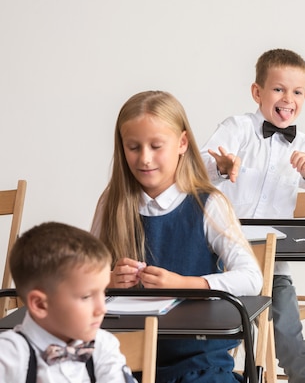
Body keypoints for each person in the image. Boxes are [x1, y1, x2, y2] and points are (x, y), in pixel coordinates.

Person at [201, 48, 305, 383]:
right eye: (278, 89)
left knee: (288, 334)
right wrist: (220, 166)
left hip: (272, 268)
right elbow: (194, 169)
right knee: (211, 334)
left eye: (297, 91)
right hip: (219, 262)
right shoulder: (238, 128)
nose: (288, 98)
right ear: (257, 92)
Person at [91, 90, 262, 383]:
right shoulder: (113, 203)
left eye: (156, 146)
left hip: (198, 361)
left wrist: (185, 285)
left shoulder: (208, 204)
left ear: (182, 143)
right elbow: (78, 277)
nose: (144, 159)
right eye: (133, 147)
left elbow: (251, 278)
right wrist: (107, 278)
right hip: (122, 361)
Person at [0, 221, 133, 383]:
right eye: (86, 297)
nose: (102, 309)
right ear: (40, 304)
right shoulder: (8, 356)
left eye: (103, 292)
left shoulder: (103, 346)